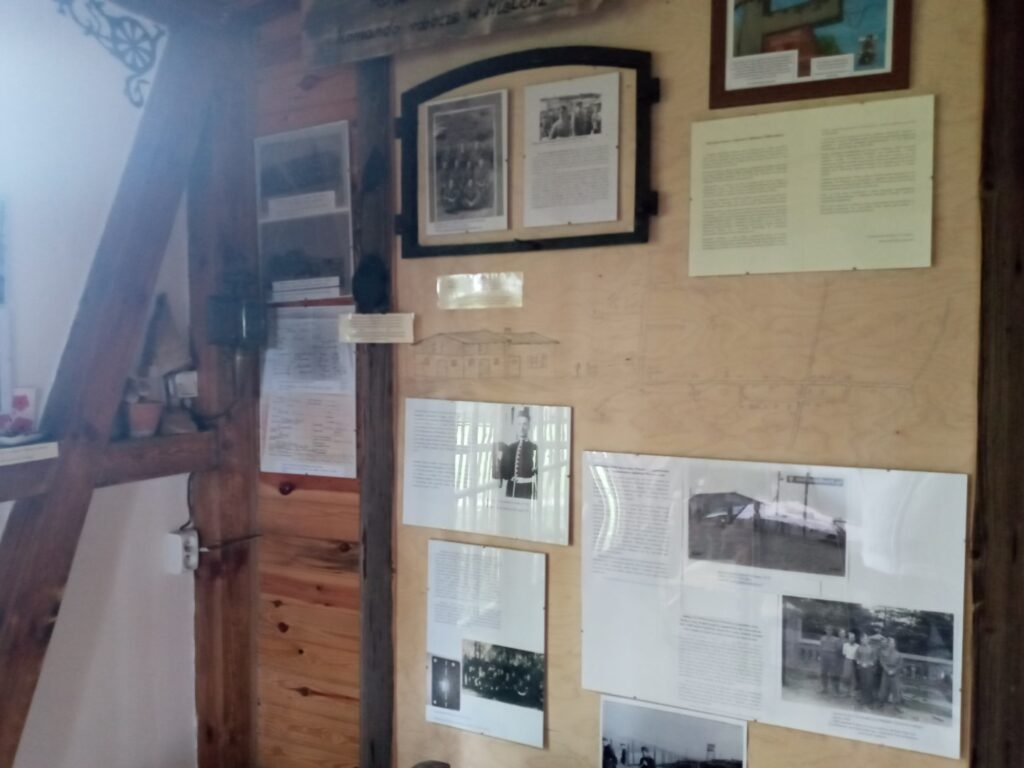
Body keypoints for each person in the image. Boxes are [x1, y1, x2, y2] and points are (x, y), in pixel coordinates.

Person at [494, 407, 538, 499]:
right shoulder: (511, 447)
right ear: (516, 427)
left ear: (529, 426)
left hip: (527, 491)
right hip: (511, 491)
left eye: (524, 424)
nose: (521, 427)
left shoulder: (534, 448)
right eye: (519, 424)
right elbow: (505, 474)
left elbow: (538, 475)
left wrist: (524, 480)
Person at [877, 636, 904, 712]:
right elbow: (882, 662)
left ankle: (897, 705)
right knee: (883, 688)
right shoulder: (884, 653)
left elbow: (900, 665)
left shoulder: (898, 654)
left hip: (894, 674)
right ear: (888, 644)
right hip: (886, 672)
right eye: (890, 643)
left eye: (893, 643)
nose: (891, 645)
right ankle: (881, 702)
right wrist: (887, 670)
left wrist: (894, 671)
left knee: (896, 689)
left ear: (895, 644)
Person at [855, 629, 879, 706]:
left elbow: (874, 659)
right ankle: (863, 699)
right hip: (862, 669)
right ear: (861, 640)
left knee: (869, 684)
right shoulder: (859, 648)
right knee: (862, 683)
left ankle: (869, 700)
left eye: (866, 639)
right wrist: (860, 663)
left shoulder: (872, 648)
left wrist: (868, 664)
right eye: (863, 639)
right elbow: (856, 657)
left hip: (869, 669)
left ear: (868, 640)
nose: (864, 640)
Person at [819, 625, 843, 694]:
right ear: (825, 630)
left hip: (832, 657)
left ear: (832, 631)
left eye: (830, 630)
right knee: (823, 673)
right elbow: (820, 648)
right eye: (827, 630)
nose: (829, 631)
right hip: (824, 657)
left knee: (833, 674)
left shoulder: (835, 639)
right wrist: (820, 656)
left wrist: (835, 659)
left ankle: (835, 689)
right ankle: (824, 688)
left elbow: (838, 650)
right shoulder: (822, 638)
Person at [841, 629, 859, 697]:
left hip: (854, 662)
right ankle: (846, 691)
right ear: (848, 638)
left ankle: (851, 692)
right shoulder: (845, 645)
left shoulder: (857, 646)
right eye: (850, 638)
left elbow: (857, 656)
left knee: (853, 677)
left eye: (853, 638)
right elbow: (844, 654)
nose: (851, 639)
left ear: (855, 639)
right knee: (846, 676)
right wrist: (847, 661)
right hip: (847, 661)